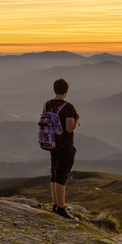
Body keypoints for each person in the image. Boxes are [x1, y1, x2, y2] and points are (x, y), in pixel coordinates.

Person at [45, 78, 80, 219]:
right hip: (65, 146)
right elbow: (69, 128)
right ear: (66, 91)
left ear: (54, 90)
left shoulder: (47, 104)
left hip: (52, 143)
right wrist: (77, 119)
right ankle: (61, 208)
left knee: (54, 175)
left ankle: (55, 204)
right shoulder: (68, 107)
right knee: (61, 177)